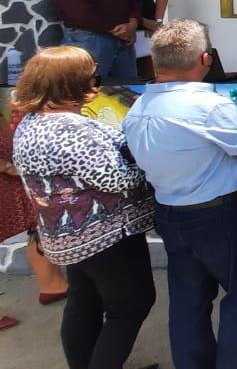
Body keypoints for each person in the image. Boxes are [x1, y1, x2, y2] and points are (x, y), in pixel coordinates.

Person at [122, 20, 237, 369]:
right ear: (205, 59)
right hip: (222, 216)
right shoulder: (210, 105)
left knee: (189, 301)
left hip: (171, 213)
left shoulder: (138, 109)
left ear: (156, 62)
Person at [11, 46, 156, 369]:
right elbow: (118, 179)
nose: (96, 84)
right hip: (105, 236)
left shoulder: (31, 121)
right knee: (130, 305)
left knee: (84, 302)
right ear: (70, 84)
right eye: (92, 77)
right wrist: (155, 166)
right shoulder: (70, 131)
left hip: (67, 236)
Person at [1, 108, 69, 315]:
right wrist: (6, 166)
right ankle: (52, 284)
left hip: (13, 179)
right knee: (37, 225)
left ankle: (54, 284)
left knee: (36, 225)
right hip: (8, 177)